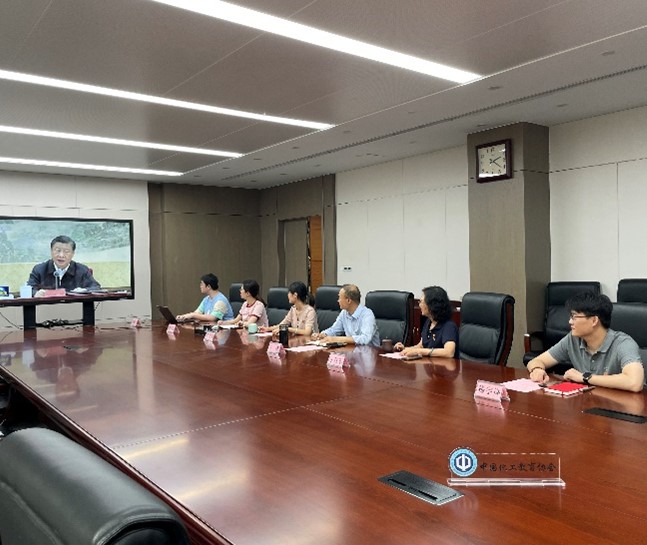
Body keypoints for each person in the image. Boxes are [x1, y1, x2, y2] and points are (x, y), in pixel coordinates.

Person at [527, 291, 644, 392]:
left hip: (620, 405)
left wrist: (585, 377)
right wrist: (537, 369)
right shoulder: (573, 339)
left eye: (575, 317)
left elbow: (635, 382)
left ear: (594, 320)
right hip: (588, 401)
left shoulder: (623, 343)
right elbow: (536, 361)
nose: (570, 322)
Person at [394, 286, 458, 358]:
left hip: (444, 365)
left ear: (432, 305)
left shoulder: (448, 326)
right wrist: (405, 349)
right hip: (430, 363)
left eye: (421, 302)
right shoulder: (428, 322)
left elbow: (449, 352)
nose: (419, 305)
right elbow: (421, 346)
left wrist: (419, 351)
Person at [28, 235, 100, 296]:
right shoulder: (39, 269)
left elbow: (95, 287)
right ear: (51, 251)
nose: (61, 255)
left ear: (73, 254)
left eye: (66, 251)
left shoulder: (82, 270)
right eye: (58, 250)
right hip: (46, 307)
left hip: (74, 306)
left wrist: (82, 290)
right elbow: (29, 289)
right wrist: (36, 293)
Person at [311, 284, 379, 347]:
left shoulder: (367, 314)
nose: (338, 301)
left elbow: (365, 339)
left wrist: (336, 339)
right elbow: (334, 330)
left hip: (369, 352)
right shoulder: (344, 313)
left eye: (340, 298)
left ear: (348, 300)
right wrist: (322, 335)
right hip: (352, 351)